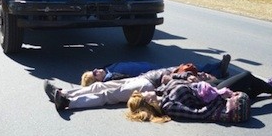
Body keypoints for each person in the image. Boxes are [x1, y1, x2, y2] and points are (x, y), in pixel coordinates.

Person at [126, 70, 272, 124]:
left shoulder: (160, 93)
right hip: (213, 95)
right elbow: (199, 113)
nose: (145, 92)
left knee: (244, 84)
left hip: (207, 87)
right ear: (148, 103)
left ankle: (268, 86)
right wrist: (221, 98)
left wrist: (187, 78)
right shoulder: (170, 107)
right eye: (143, 95)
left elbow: (170, 80)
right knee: (245, 76)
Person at [44, 67, 195, 111]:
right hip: (141, 79)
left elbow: (169, 82)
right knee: (99, 85)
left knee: (107, 95)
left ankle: (68, 102)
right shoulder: (186, 70)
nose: (201, 74)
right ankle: (63, 93)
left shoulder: (190, 77)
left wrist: (178, 75)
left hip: (147, 85)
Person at [80, 54, 230, 86]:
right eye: (94, 73)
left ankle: (217, 71)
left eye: (93, 70)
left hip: (150, 68)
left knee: (184, 69)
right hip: (152, 74)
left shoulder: (108, 68)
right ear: (97, 80)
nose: (96, 70)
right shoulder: (112, 78)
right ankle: (217, 70)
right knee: (185, 70)